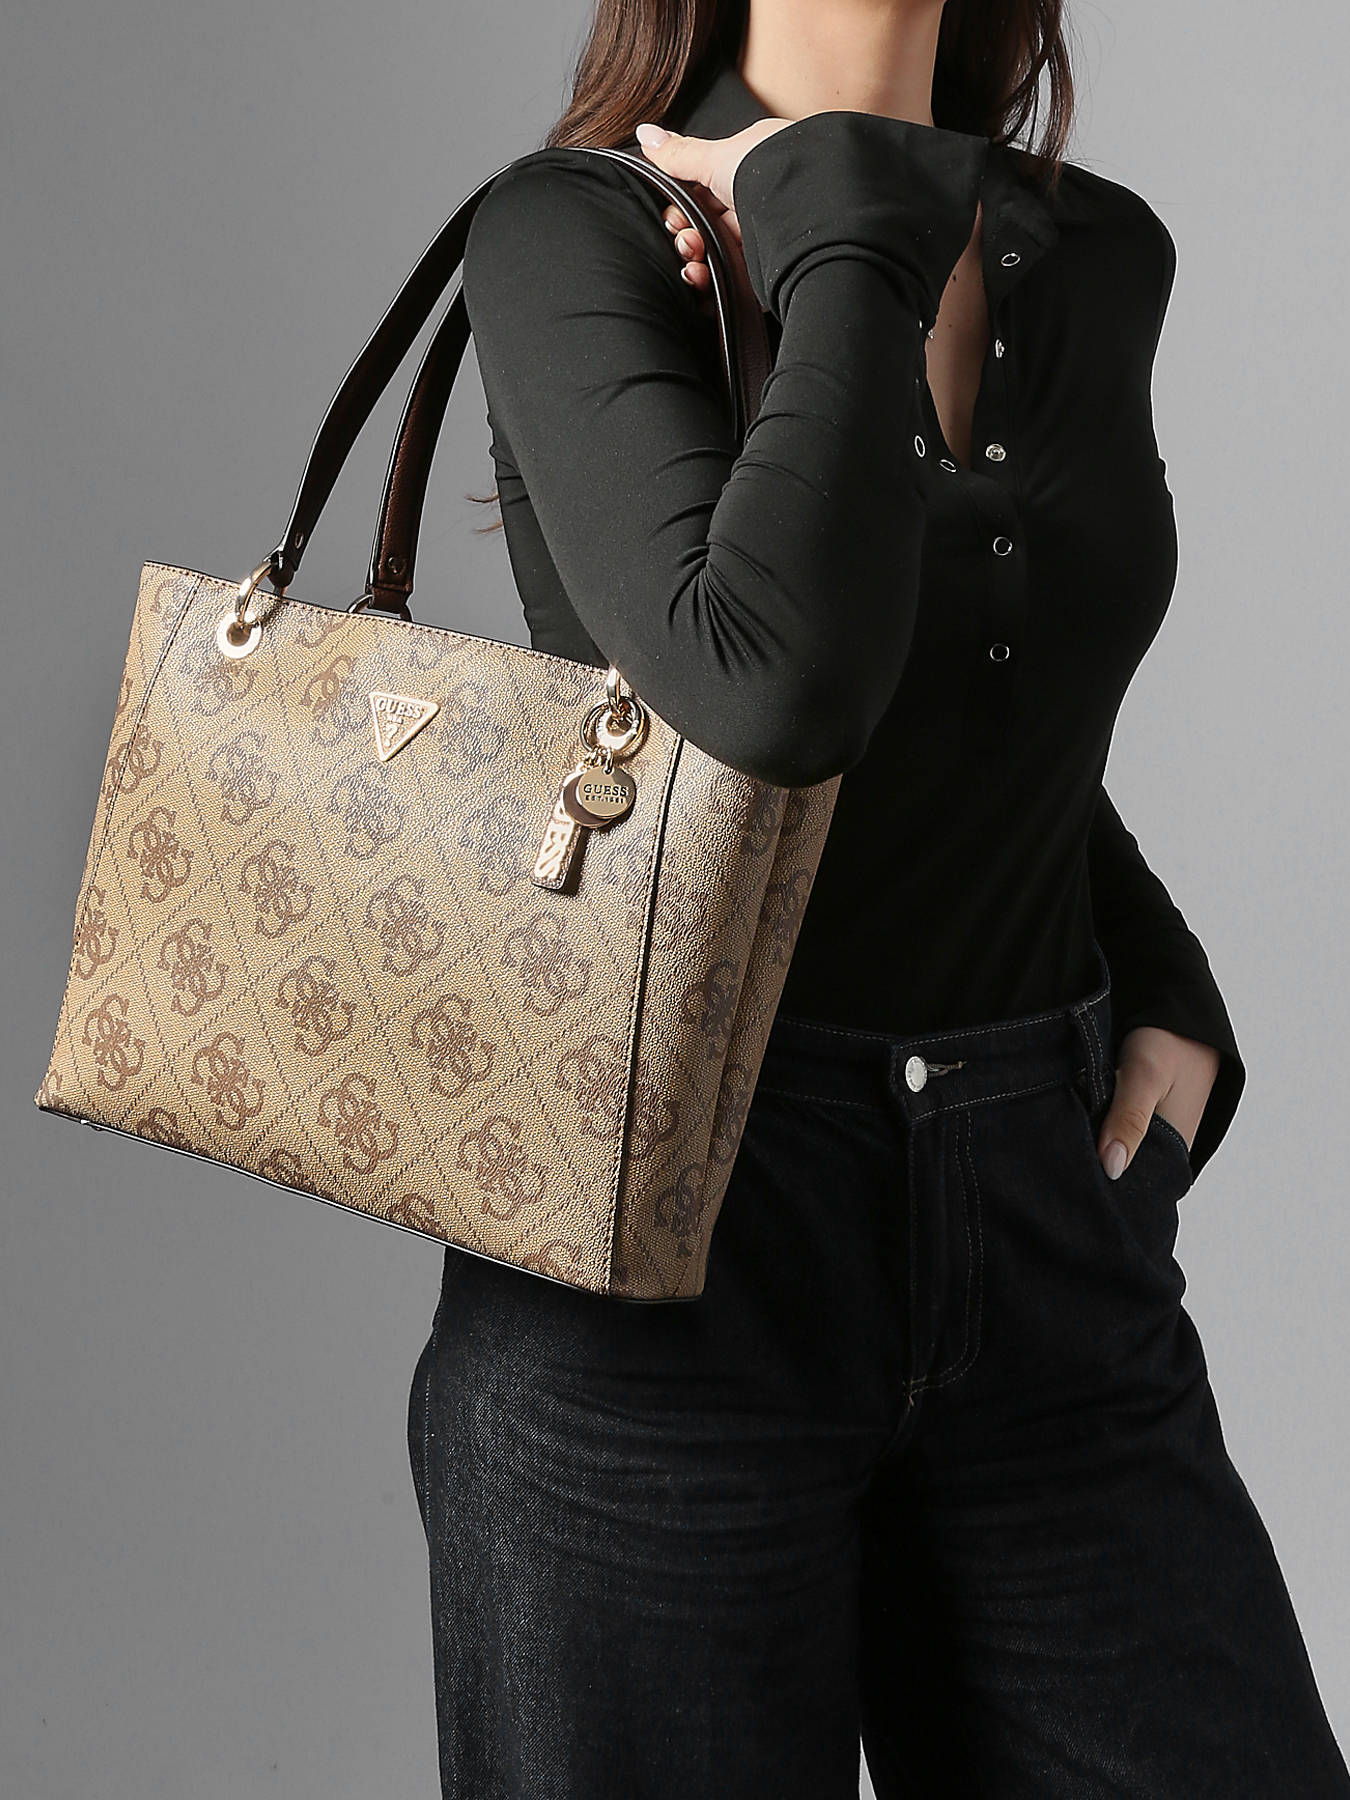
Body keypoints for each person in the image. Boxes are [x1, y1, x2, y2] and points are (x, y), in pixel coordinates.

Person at [407, 0, 1350, 1792]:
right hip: (665, 1256)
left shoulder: (1093, 251)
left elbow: (1004, 696)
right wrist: (849, 218)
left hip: (1042, 1229)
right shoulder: (573, 232)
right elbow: (770, 694)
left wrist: (1160, 970)